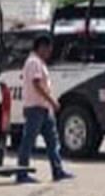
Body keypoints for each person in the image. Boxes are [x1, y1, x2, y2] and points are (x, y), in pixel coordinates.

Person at [16, 34, 73, 184]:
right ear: (41, 47)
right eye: (48, 49)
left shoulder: (37, 62)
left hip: (43, 108)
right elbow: (37, 84)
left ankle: (57, 170)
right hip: (36, 107)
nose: (49, 53)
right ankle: (21, 172)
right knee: (28, 141)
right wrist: (52, 101)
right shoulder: (34, 62)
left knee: (52, 140)